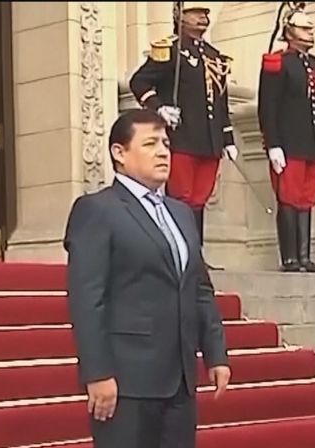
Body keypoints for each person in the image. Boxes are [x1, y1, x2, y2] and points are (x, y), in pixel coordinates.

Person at [64, 108, 238, 448]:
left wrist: (216, 351)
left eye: (166, 143)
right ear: (119, 153)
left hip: (179, 369)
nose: (164, 152)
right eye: (151, 144)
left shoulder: (182, 213)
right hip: (125, 371)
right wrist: (97, 372)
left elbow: (200, 289)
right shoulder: (98, 210)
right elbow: (86, 297)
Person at [128, 2, 235, 265]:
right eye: (196, 13)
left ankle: (195, 254)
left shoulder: (214, 55)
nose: (203, 18)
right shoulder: (170, 50)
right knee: (181, 198)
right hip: (183, 136)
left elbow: (221, 101)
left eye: (206, 13)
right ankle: (180, 252)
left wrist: (227, 138)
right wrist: (158, 108)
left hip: (209, 140)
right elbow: (139, 81)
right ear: (179, 15)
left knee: (199, 200)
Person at [258, 2, 315, 273]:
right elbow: (268, 106)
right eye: (304, 28)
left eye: (311, 29)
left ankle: (304, 256)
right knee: (289, 198)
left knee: (306, 200)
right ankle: (289, 258)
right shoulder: (278, 63)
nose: (311, 33)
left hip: (311, 144)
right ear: (289, 31)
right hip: (288, 143)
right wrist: (273, 144)